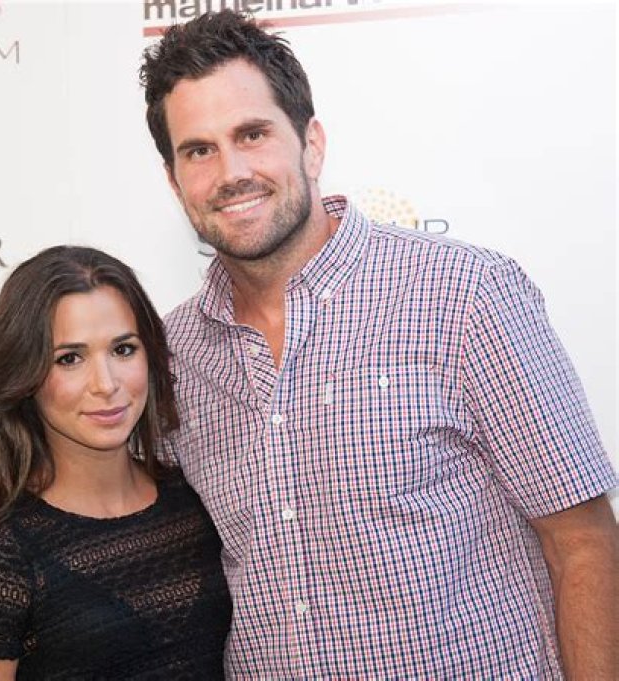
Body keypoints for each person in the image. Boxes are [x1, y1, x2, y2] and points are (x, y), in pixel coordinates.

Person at [139, 10, 619, 679]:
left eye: (253, 134)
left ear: (311, 144)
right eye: (199, 150)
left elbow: (583, 544)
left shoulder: (465, 293)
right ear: (174, 181)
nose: (231, 171)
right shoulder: (169, 354)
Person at [0, 246, 232, 681]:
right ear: (25, 374)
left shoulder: (193, 500)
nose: (106, 384)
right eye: (69, 358)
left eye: (123, 349)